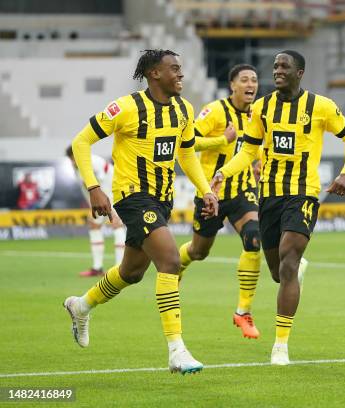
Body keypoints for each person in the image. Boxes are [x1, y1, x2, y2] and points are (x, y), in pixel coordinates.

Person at [63, 49, 218, 375]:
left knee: (131, 272)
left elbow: (187, 155)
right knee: (171, 261)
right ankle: (177, 350)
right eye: (174, 69)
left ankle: (81, 305)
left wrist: (205, 190)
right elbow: (81, 141)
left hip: (163, 199)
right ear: (154, 73)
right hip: (133, 196)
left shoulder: (184, 109)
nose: (181, 75)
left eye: (181, 69)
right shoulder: (127, 108)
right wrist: (94, 186)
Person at [211, 50, 345, 365]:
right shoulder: (262, 107)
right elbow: (249, 151)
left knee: (289, 263)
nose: (278, 70)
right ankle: (293, 273)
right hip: (269, 196)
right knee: (279, 273)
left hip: (303, 195)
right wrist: (224, 172)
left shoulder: (321, 106)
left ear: (300, 72)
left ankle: (280, 344)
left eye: (284, 66)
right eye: (276, 66)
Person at [177, 64, 266, 339]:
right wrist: (220, 140)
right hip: (210, 193)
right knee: (198, 252)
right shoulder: (215, 111)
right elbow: (186, 142)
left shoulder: (259, 114)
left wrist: (260, 162)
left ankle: (243, 312)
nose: (251, 84)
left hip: (242, 192)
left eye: (254, 80)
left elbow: (255, 145)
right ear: (232, 85)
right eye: (244, 80)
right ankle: (174, 266)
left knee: (254, 238)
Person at [66, 147, 126, 277]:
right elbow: (87, 189)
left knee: (116, 223)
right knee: (94, 225)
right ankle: (97, 268)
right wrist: (92, 206)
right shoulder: (79, 169)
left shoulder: (93, 161)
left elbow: (102, 184)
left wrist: (108, 204)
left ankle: (120, 267)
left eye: (73, 159)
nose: (72, 162)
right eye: (71, 159)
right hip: (101, 198)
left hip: (112, 192)